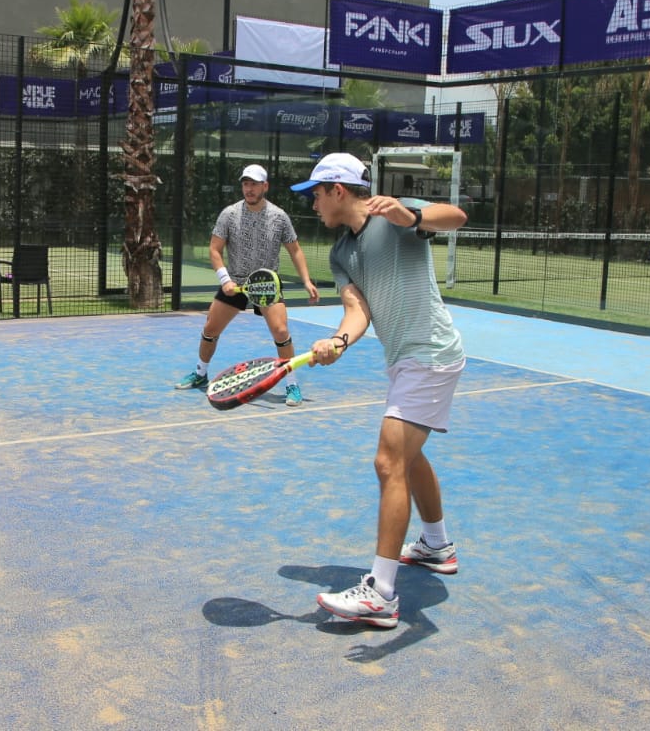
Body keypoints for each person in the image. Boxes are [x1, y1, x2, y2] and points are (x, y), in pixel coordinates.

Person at [290, 152, 467, 629]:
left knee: (388, 462)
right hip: (405, 359)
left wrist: (412, 216)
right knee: (409, 456)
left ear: (338, 190)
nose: (313, 206)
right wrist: (338, 342)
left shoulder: (395, 213)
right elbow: (358, 312)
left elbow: (456, 217)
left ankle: (382, 594)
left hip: (429, 353)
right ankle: (436, 545)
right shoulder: (340, 254)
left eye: (316, 195)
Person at [175, 164, 320, 407]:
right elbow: (214, 249)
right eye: (245, 184)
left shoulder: (279, 216)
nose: (249, 189)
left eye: (254, 184)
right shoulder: (229, 214)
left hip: (266, 284)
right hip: (236, 282)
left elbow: (294, 250)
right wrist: (225, 280)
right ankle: (201, 374)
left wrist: (306, 280)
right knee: (210, 328)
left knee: (282, 332)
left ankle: (291, 383)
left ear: (265, 186)